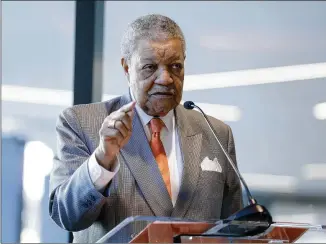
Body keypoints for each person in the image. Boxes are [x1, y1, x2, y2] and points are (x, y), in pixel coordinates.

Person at [49, 14, 242, 243]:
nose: (166, 78)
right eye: (150, 67)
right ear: (126, 67)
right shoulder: (81, 123)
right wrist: (102, 159)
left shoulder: (216, 133)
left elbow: (236, 229)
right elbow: (67, 216)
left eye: (175, 66)